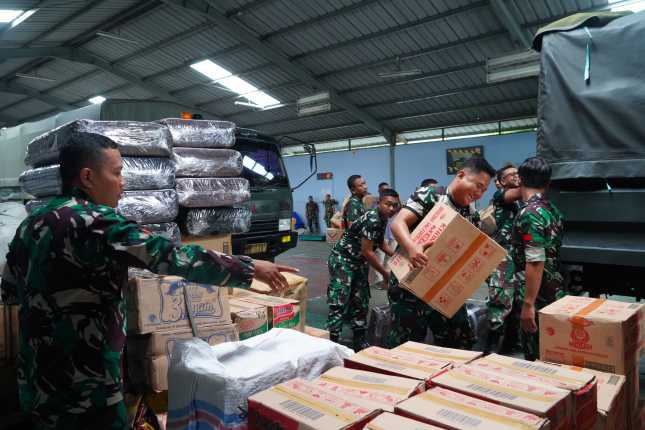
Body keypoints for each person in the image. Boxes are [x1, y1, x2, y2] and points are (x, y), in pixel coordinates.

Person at [0, 135, 296, 430]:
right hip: (85, 385)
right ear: (88, 177)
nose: (122, 183)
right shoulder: (95, 222)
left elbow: (10, 291)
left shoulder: (31, 224)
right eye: (116, 173)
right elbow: (170, 255)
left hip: (37, 378)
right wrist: (249, 268)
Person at [386, 157, 496, 349]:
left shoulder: (470, 213)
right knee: (407, 343)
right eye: (478, 186)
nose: (479, 193)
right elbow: (398, 223)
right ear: (461, 175)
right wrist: (412, 248)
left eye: (484, 190)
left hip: (443, 286)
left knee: (457, 338)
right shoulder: (432, 195)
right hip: (410, 282)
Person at [327, 189, 400, 350]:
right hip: (343, 260)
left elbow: (381, 243)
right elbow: (368, 252)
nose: (391, 208)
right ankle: (333, 341)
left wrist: (398, 257)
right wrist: (385, 274)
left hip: (359, 262)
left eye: (394, 205)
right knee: (340, 300)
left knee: (361, 300)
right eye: (388, 204)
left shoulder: (383, 218)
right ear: (379, 203)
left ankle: (359, 339)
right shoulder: (373, 219)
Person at [511, 157, 564, 361]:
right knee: (554, 351)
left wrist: (528, 305)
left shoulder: (529, 214)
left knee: (536, 356)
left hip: (537, 295)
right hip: (553, 289)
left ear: (520, 180)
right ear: (548, 183)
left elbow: (535, 260)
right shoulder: (553, 211)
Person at [485, 163, 523, 354]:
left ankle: (510, 345)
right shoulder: (501, 195)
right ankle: (490, 349)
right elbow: (520, 192)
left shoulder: (519, 202)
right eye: (511, 174)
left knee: (517, 303)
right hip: (502, 258)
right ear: (500, 181)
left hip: (516, 257)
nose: (516, 176)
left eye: (518, 173)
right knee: (500, 302)